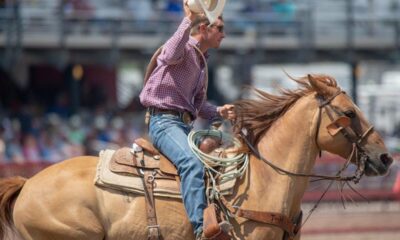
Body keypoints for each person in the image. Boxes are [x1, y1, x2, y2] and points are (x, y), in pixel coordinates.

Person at [139, 0, 236, 238]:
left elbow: (198, 105)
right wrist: (189, 19)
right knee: (191, 164)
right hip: (164, 123)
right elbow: (169, 53)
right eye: (220, 28)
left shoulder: (202, 61)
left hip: (181, 124)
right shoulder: (183, 49)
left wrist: (218, 111)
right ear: (204, 29)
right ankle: (202, 229)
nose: (224, 34)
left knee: (228, 145)